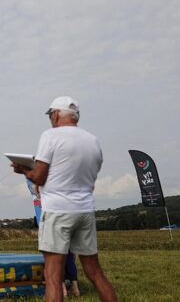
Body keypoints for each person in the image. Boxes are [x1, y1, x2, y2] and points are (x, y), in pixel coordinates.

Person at [11, 96, 117, 302]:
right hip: (85, 210)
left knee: (53, 275)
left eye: (51, 114)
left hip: (58, 210)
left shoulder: (50, 136)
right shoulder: (93, 140)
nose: (51, 118)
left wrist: (23, 170)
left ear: (57, 114)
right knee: (95, 272)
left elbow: (39, 177)